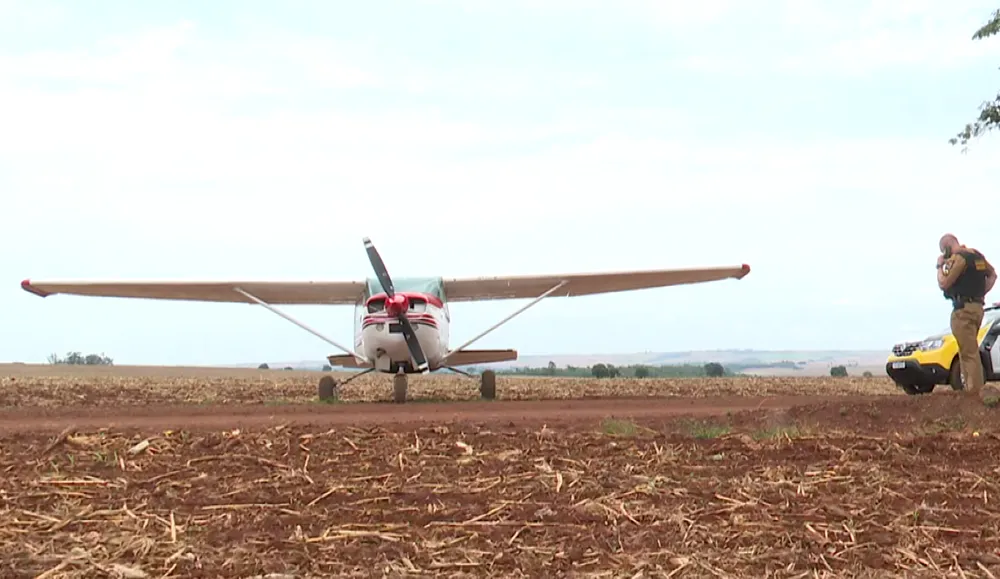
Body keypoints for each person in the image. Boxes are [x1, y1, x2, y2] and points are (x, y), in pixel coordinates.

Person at [937, 233, 997, 395]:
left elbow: (944, 283)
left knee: (969, 353)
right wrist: (980, 293)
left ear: (947, 248)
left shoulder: (959, 258)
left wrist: (939, 266)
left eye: (944, 250)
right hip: (977, 308)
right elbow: (993, 275)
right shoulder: (976, 256)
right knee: (967, 350)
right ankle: (968, 389)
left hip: (963, 311)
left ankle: (975, 392)